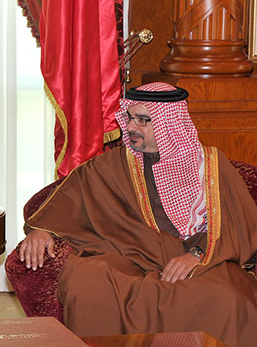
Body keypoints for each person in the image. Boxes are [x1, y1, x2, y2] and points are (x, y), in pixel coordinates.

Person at [19, 82, 257, 347]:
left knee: (231, 298)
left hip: (200, 256)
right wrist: (43, 230)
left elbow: (240, 225)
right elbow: (71, 196)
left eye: (143, 120)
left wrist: (196, 254)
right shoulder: (113, 165)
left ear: (169, 124)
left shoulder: (211, 164)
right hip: (131, 253)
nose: (131, 127)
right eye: (130, 118)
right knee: (88, 282)